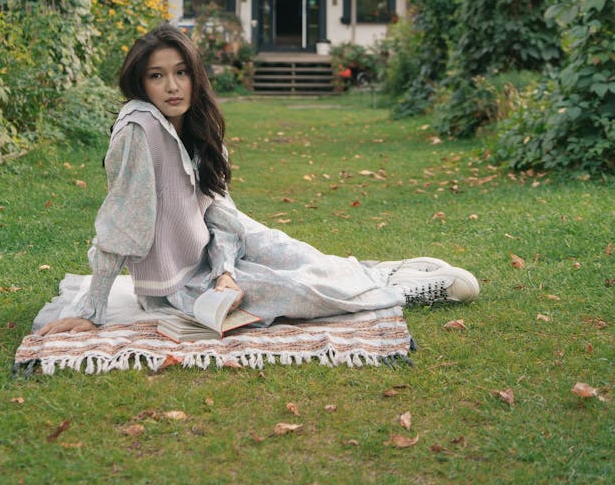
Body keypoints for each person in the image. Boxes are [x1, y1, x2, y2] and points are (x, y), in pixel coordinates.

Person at [38, 24, 479, 337]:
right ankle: (405, 291)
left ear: (195, 75)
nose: (172, 86)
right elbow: (123, 223)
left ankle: (386, 272)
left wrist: (225, 269)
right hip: (182, 281)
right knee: (300, 295)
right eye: (157, 76)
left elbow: (221, 210)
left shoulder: (194, 126)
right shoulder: (140, 129)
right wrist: (93, 308)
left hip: (222, 242)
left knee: (302, 256)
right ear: (141, 81)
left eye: (181, 72)